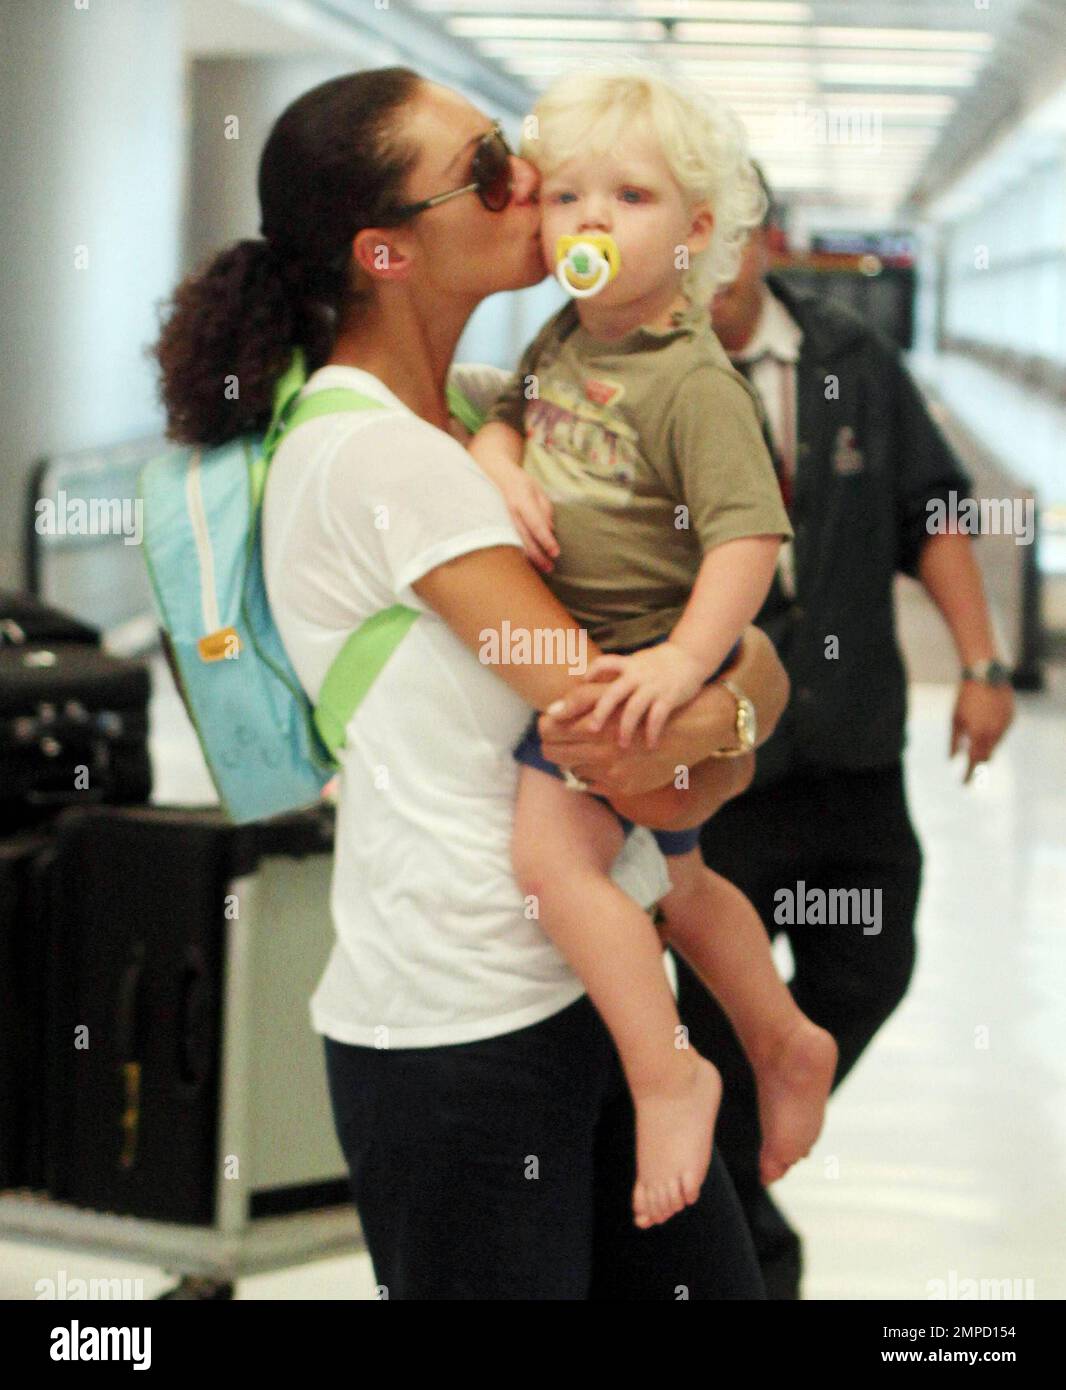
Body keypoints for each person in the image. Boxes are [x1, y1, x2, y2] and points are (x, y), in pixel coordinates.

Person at [150, 67, 791, 1299]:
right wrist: (746, 691)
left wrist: (721, 704)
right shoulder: (382, 457)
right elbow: (627, 744)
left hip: (578, 996)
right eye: (488, 166)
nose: (533, 184)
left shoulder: (469, 418)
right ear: (384, 253)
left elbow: (672, 728)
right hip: (464, 1037)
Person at [466, 70, 837, 1231]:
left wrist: (684, 662)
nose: (587, 218)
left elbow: (748, 537)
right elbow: (507, 413)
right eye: (567, 194)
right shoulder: (567, 337)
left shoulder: (691, 380)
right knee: (675, 883)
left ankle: (669, 1067)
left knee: (555, 866)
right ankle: (782, 1038)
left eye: (627, 196)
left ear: (697, 235)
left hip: (623, 671)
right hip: (597, 649)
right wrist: (497, 464)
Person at [666, 167, 1017, 1297]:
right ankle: (742, 1247)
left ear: (760, 238)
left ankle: (745, 1148)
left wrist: (978, 663)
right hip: (717, 770)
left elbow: (934, 510)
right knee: (713, 1013)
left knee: (871, 960)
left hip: (852, 742)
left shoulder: (849, 360)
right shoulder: (644, 371)